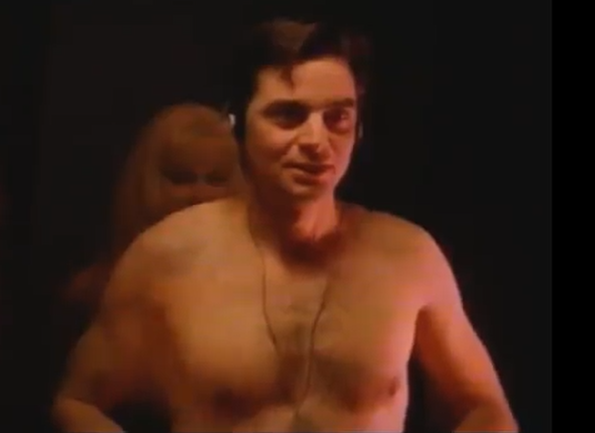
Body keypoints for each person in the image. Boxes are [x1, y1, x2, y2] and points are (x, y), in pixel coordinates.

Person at [52, 19, 518, 432]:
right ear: (236, 124)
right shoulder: (169, 256)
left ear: (358, 129)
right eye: (288, 115)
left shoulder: (408, 256)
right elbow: (77, 403)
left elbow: (488, 411)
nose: (317, 140)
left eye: (337, 118)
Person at [56, 103, 242, 327]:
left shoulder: (257, 291)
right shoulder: (97, 293)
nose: (200, 194)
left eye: (216, 179)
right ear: (147, 183)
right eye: (181, 178)